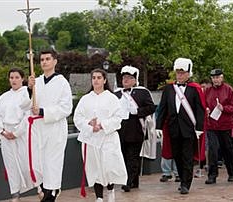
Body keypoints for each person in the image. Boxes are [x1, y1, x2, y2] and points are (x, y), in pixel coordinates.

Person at [74, 68, 127, 202]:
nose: (96, 80)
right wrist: (89, 124)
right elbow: (77, 118)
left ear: (104, 80)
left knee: (109, 166)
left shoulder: (112, 98)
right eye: (94, 78)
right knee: (95, 168)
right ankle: (99, 197)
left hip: (108, 138)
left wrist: (102, 125)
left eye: (99, 78)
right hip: (91, 139)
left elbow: (118, 117)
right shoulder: (85, 99)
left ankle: (110, 191)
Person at [27, 49, 73, 201]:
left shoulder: (62, 82)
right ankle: (44, 188)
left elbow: (66, 107)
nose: (44, 62)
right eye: (41, 60)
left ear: (55, 61)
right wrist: (29, 89)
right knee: (37, 163)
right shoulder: (36, 82)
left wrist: (43, 111)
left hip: (54, 128)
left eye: (47, 59)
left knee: (52, 162)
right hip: (38, 129)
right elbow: (26, 105)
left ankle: (51, 192)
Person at [156, 57, 204, 194]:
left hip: (189, 129)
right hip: (173, 128)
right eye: (178, 73)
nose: (180, 75)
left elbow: (199, 110)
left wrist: (199, 128)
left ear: (188, 74)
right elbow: (162, 109)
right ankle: (182, 178)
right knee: (176, 156)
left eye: (182, 73)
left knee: (187, 157)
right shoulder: (169, 89)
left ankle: (185, 184)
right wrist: (159, 126)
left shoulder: (195, 89)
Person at [114, 65, 156, 192]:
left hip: (137, 130)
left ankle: (128, 181)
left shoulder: (143, 92)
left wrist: (137, 111)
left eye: (129, 78)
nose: (125, 80)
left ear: (135, 80)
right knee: (125, 157)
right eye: (124, 77)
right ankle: (134, 181)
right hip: (121, 131)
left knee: (133, 157)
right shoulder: (116, 94)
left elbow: (151, 108)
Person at [0, 68, 33, 202]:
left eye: (16, 77)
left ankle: (39, 188)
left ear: (22, 79)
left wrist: (16, 133)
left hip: (21, 134)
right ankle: (15, 194)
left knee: (26, 162)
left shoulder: (26, 95)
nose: (14, 80)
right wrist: (2, 131)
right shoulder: (4, 97)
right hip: (6, 135)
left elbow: (28, 114)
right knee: (11, 164)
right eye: (11, 77)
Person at [204, 68, 233, 184]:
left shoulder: (228, 89)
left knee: (227, 149)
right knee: (212, 150)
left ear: (222, 77)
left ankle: (231, 171)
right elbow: (202, 104)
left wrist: (224, 108)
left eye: (217, 77)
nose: (215, 80)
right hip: (211, 125)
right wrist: (206, 109)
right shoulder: (207, 90)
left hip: (225, 125)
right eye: (213, 78)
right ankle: (212, 175)